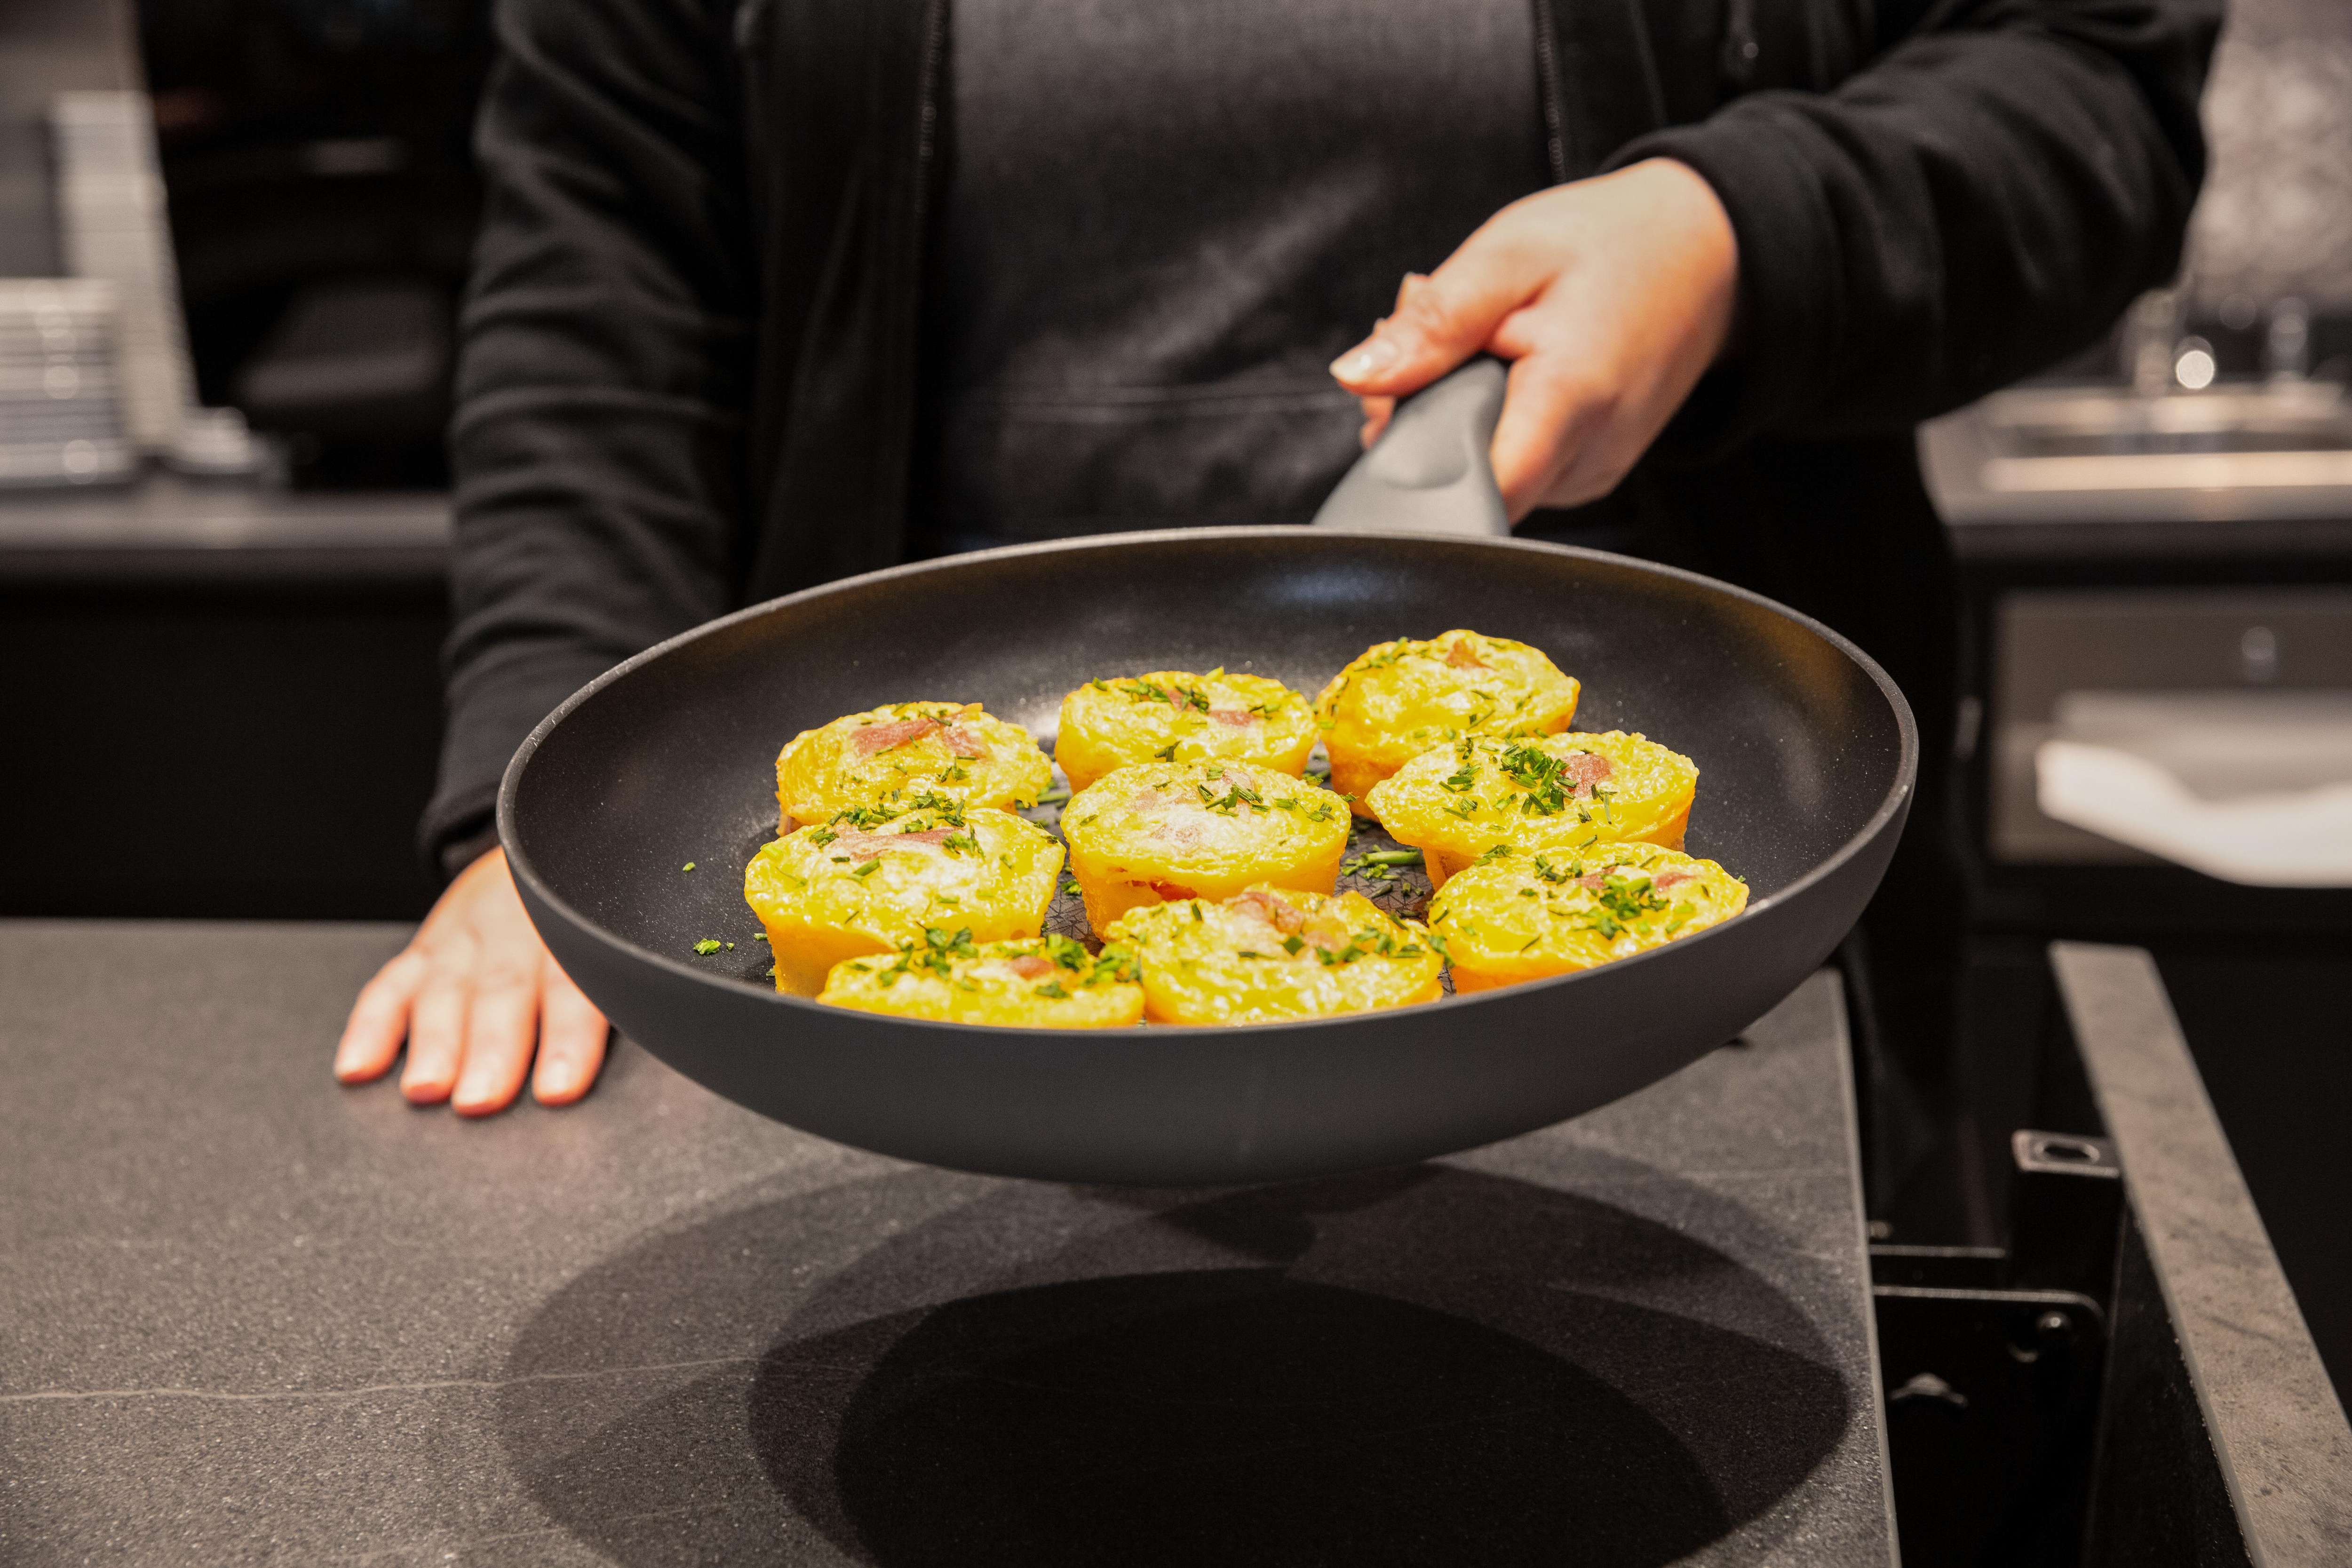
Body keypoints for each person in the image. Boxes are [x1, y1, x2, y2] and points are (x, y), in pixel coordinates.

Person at [337, 0, 2219, 1163]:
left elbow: (2086, 84)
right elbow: (603, 300)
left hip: (1680, 1046)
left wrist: (1735, 227)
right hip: (886, 1084)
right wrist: (550, 789)